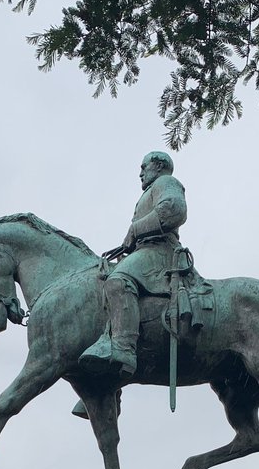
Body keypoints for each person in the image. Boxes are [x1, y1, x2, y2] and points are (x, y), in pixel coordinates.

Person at [79, 151, 187, 377]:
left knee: (118, 282)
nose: (140, 173)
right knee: (103, 282)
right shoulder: (149, 191)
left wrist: (134, 230)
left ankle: (124, 349)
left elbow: (173, 210)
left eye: (143, 167)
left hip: (160, 251)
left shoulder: (166, 182)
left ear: (157, 166)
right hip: (144, 250)